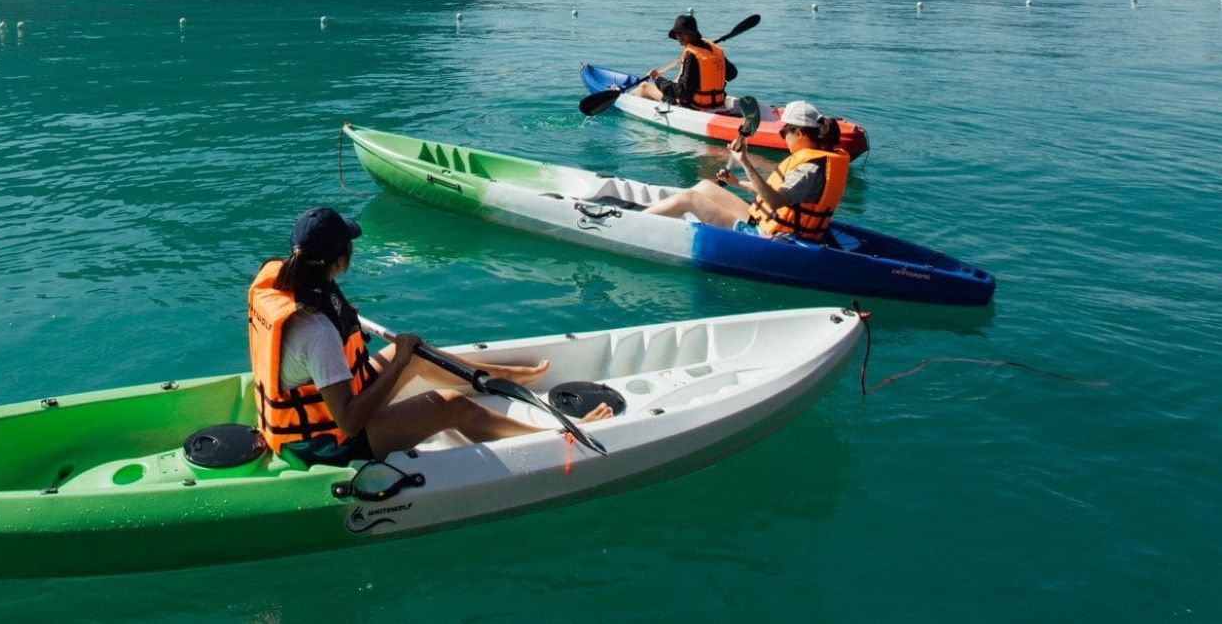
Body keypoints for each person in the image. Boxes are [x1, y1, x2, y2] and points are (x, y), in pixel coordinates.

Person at [247, 208, 612, 462]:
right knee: (449, 405)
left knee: (420, 352)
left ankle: (507, 378)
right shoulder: (317, 331)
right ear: (339, 260)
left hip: (321, 408)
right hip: (327, 443)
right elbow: (349, 421)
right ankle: (553, 437)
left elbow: (314, 342)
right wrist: (400, 358)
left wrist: (357, 324)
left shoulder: (286, 282)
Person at [641, 100, 849, 242]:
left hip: (772, 239)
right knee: (705, 185)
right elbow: (776, 195)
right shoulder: (814, 160)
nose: (782, 135)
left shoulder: (809, 168)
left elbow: (775, 201)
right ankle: (658, 218)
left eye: (784, 131)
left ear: (800, 133)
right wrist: (736, 183)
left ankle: (630, 221)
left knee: (688, 199)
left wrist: (745, 162)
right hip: (765, 223)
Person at [628, 13, 735, 111]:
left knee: (644, 86)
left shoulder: (692, 55)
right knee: (676, 80)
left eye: (683, 34)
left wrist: (657, 79)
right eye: (677, 34)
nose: (679, 37)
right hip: (716, 104)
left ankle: (622, 98)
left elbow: (682, 93)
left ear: (693, 34)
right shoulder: (713, 50)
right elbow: (732, 73)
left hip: (691, 106)